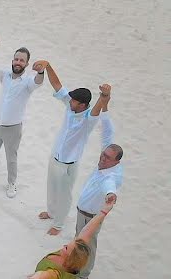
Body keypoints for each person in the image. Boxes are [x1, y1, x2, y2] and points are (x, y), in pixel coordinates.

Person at [34, 61, 113, 235]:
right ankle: (51, 212)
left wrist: (104, 95)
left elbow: (98, 109)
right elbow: (57, 85)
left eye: (75, 101)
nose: (71, 101)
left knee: (65, 195)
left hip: (69, 164)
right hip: (55, 158)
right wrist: (47, 66)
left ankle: (59, 224)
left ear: (83, 105)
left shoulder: (88, 119)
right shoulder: (70, 106)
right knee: (51, 188)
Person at [0, 37, 44, 198]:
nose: (18, 62)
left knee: (11, 158)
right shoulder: (5, 75)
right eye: (16, 59)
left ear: (26, 64)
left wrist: (41, 71)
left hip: (13, 128)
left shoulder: (27, 82)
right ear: (13, 60)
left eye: (22, 60)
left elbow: (38, 82)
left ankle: (12, 183)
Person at [67, 140, 124, 279]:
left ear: (116, 162)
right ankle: (74, 266)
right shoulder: (104, 166)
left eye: (108, 158)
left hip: (91, 217)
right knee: (79, 241)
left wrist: (111, 195)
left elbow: (109, 187)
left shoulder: (109, 177)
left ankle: (82, 277)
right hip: (83, 213)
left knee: (88, 246)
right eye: (103, 154)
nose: (103, 158)